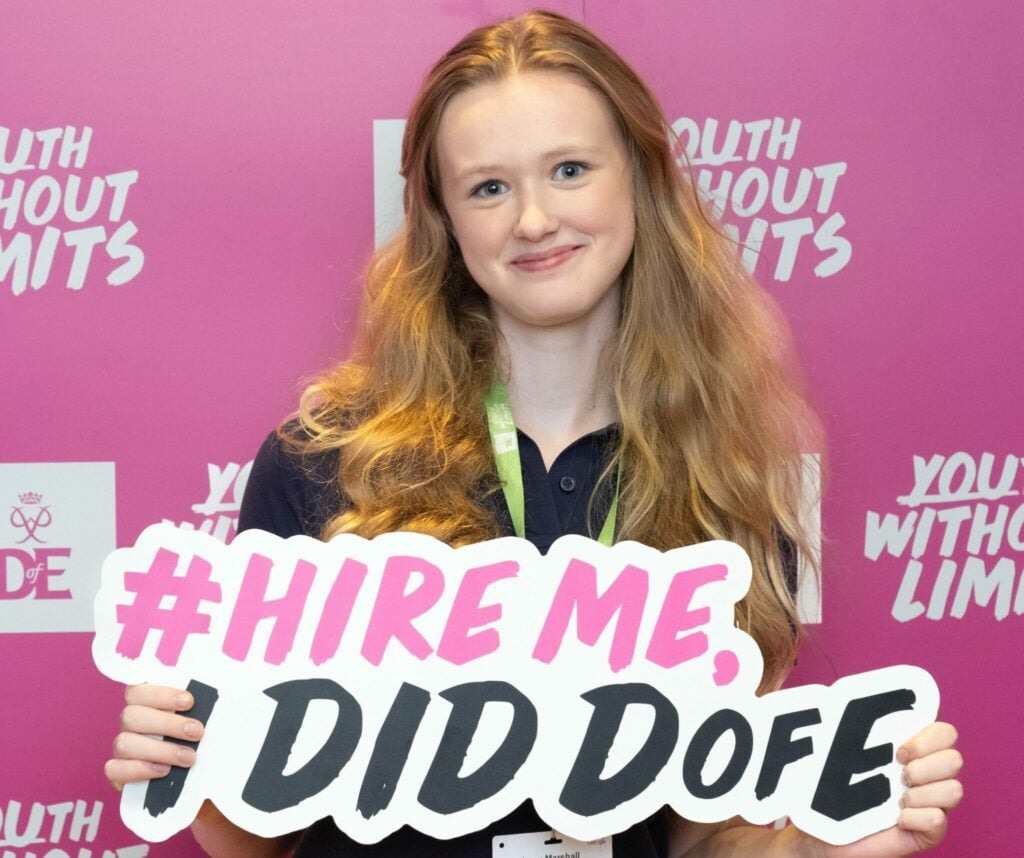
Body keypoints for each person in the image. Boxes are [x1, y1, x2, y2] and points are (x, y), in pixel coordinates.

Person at [105, 10, 963, 857]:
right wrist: (187, 759)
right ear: (443, 222)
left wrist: (812, 850)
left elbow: (697, 832)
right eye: (489, 186)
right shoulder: (322, 461)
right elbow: (254, 839)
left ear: (641, 178)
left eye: (569, 169)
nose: (534, 220)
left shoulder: (723, 480)